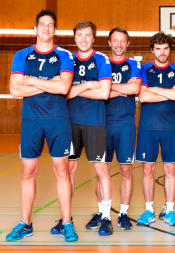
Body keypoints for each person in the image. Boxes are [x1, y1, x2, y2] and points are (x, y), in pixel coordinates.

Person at [6, 9, 78, 242]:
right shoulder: (21, 55)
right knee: (28, 171)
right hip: (31, 121)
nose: (47, 28)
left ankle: (67, 223)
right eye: (43, 24)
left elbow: (64, 88)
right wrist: (50, 82)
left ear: (55, 30)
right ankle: (25, 223)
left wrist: (31, 80)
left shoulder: (64, 56)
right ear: (35, 29)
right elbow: (15, 89)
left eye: (51, 25)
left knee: (61, 170)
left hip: (58, 121)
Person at [66, 21, 113, 236]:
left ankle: (105, 217)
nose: (83, 39)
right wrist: (88, 84)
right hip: (69, 121)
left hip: (95, 121)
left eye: (88, 35)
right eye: (80, 35)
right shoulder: (67, 59)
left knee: (101, 169)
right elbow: (64, 93)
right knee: (68, 171)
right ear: (74, 38)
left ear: (93, 38)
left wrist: (76, 88)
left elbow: (104, 93)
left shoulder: (102, 59)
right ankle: (67, 218)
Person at [136, 32, 175, 226]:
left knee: (170, 169)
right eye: (158, 49)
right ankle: (149, 210)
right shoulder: (144, 69)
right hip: (148, 127)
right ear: (152, 50)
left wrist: (154, 90)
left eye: (165, 48)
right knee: (148, 169)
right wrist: (170, 93)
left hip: (171, 128)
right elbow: (143, 97)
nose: (162, 52)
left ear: (170, 50)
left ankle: (170, 210)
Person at [103, 27, 141, 230]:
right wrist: (122, 88)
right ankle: (103, 214)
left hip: (126, 123)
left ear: (128, 43)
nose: (118, 44)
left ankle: (123, 213)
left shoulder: (134, 64)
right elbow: (100, 93)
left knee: (126, 169)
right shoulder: (102, 63)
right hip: (102, 123)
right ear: (109, 43)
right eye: (115, 41)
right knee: (103, 171)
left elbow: (135, 89)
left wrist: (108, 88)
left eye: (122, 41)